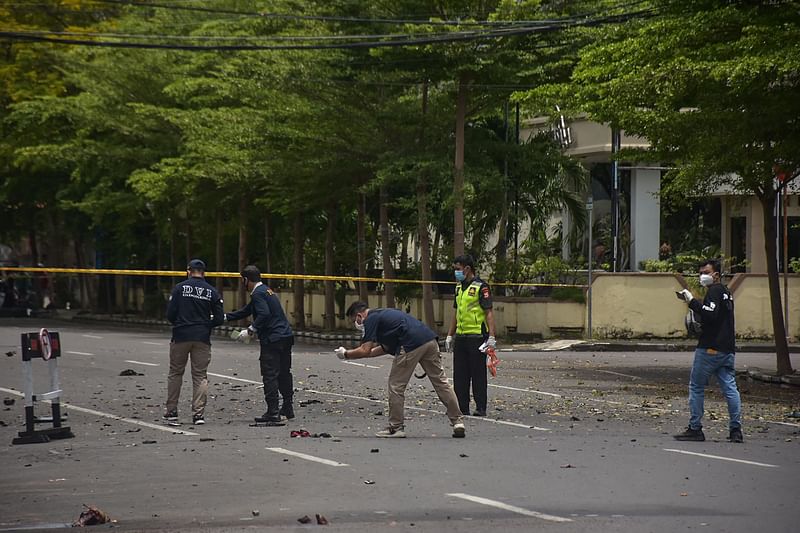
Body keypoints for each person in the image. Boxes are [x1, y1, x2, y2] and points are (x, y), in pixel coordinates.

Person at [336, 301, 465, 438]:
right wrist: (358, 354)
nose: (356, 325)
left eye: (353, 321)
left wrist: (346, 354)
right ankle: (458, 421)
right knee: (441, 382)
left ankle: (396, 427)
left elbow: (365, 349)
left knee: (396, 385)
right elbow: (382, 349)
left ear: (359, 316)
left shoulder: (370, 319)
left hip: (410, 345)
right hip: (429, 341)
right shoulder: (384, 315)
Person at [674, 259, 742, 443]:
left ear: (716, 275)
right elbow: (718, 317)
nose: (702, 275)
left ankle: (695, 428)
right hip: (727, 349)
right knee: (730, 388)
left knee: (696, 387)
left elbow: (710, 315)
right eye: (700, 272)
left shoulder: (714, 291)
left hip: (710, 348)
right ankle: (736, 429)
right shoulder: (727, 293)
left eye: (706, 272)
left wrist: (692, 301)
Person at [226, 265, 294, 424]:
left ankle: (273, 412)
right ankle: (287, 408)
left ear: (245, 280)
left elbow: (264, 314)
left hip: (272, 339)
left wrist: (251, 330)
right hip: (286, 336)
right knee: (284, 373)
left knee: (270, 375)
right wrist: (223, 317)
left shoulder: (257, 294)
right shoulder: (266, 291)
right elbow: (246, 310)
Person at [164, 259, 224, 425]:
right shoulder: (212, 291)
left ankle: (172, 411)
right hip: (202, 338)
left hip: (181, 335)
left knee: (176, 373)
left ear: (188, 271)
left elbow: (170, 314)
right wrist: (206, 324)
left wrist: (179, 323)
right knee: (200, 376)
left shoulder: (179, 288)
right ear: (203, 272)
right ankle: (198, 415)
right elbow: (219, 318)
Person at [445, 255, 496, 417]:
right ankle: (462, 407)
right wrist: (449, 335)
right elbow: (456, 313)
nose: (456, 272)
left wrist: (492, 337)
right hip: (461, 336)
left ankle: (481, 407)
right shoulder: (458, 288)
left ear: (467, 269)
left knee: (478, 374)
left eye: (458, 269)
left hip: (477, 337)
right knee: (460, 375)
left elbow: (488, 313)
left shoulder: (481, 287)